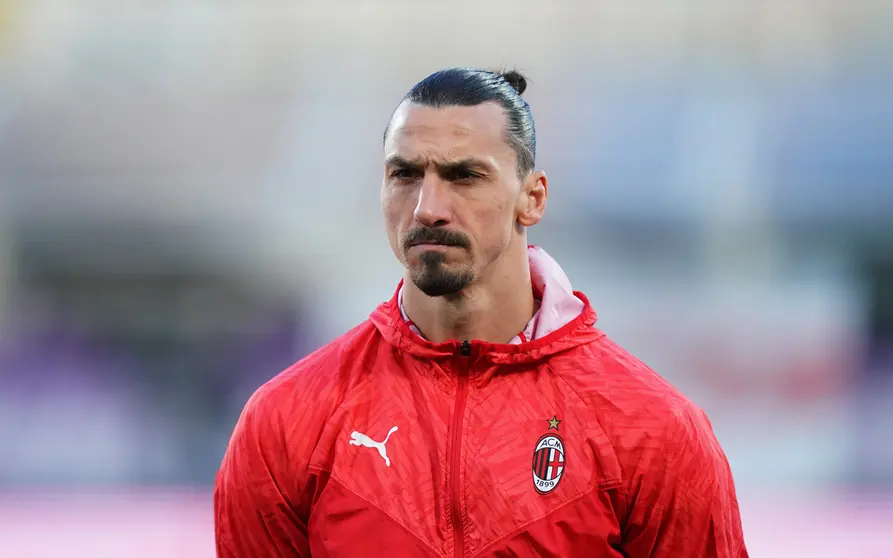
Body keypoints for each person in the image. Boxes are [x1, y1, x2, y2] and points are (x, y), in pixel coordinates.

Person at [214, 67, 748, 557]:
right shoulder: (286, 422)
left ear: (532, 198)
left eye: (465, 175)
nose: (428, 208)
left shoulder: (653, 430)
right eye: (404, 174)